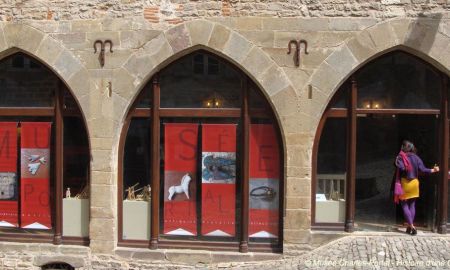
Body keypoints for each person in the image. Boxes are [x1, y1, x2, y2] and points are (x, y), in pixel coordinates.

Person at [395, 140, 439, 235]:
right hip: (415, 183)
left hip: (405, 183)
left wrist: (398, 160)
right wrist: (433, 170)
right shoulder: (416, 158)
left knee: (404, 205)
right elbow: (423, 169)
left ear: (403, 147)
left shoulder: (401, 157)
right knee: (412, 205)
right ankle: (409, 227)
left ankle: (411, 225)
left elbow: (401, 168)